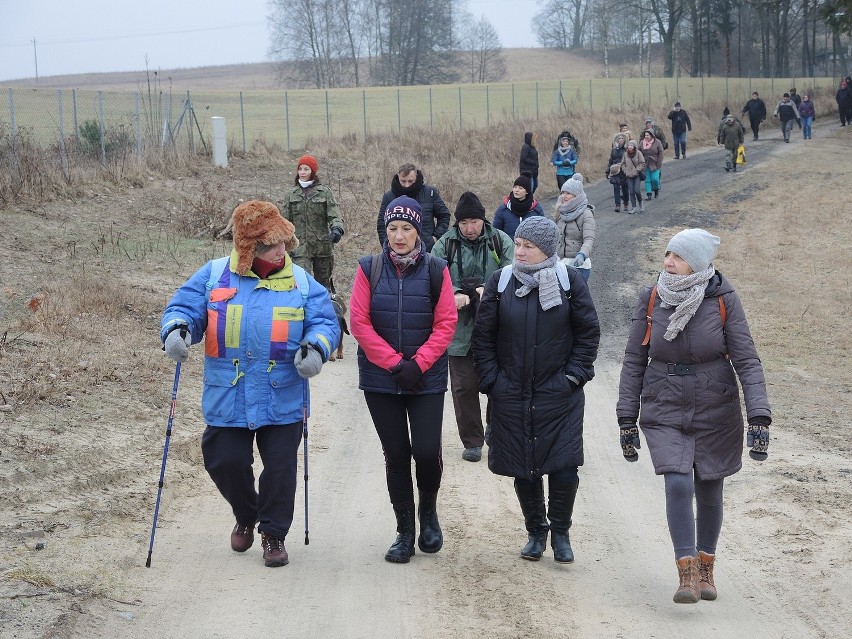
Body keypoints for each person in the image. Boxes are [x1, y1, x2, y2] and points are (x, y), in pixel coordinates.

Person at [160, 200, 340, 568]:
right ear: (248, 250)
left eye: (283, 242)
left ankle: (274, 535)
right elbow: (183, 309)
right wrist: (177, 330)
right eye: (271, 245)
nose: (281, 250)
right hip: (230, 392)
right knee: (222, 459)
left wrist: (317, 348)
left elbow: (324, 321)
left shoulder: (301, 282)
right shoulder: (214, 276)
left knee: (279, 467)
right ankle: (247, 513)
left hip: (282, 392)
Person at [616, 228, 772, 604]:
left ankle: (706, 569)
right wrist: (626, 418)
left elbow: (747, 359)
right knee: (678, 484)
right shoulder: (652, 297)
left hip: (715, 404)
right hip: (664, 401)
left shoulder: (723, 298)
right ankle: (685, 572)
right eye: (668, 254)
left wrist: (759, 416)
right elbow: (635, 360)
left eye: (678, 257)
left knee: (709, 488)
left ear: (698, 263)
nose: (668, 262)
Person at [471, 216, 600, 564]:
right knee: (521, 465)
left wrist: (573, 377)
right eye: (518, 243)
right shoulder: (501, 282)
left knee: (563, 466)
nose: (521, 251)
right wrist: (492, 382)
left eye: (528, 245)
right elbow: (482, 338)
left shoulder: (568, 281)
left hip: (559, 394)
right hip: (510, 392)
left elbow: (588, 333)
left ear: (546, 249)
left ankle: (561, 532)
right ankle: (535, 531)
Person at [350, 195, 457, 564]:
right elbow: (359, 324)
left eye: (406, 229)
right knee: (396, 455)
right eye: (393, 228)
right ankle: (404, 531)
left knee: (426, 451)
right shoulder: (369, 268)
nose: (399, 236)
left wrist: (419, 364)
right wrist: (396, 364)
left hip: (425, 379)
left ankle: (428, 508)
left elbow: (446, 324)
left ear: (418, 231)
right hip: (382, 379)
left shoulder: (436, 269)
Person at [431, 192, 513, 462]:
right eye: (464, 222)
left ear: (483, 219)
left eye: (474, 221)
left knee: (499, 383)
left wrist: (486, 290)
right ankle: (472, 441)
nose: (469, 228)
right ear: (457, 223)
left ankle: (496, 431)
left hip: (496, 327)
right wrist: (454, 293)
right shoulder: (445, 245)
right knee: (464, 386)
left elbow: (515, 273)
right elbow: (432, 276)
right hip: (458, 329)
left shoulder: (499, 241)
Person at [279, 155, 344, 291]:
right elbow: (284, 221)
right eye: (300, 169)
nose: (302, 172)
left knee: (323, 286)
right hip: (299, 247)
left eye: (306, 169)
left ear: (312, 172)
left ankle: (325, 310)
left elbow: (334, 213)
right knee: (302, 283)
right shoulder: (291, 194)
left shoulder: (324, 192)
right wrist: (281, 239)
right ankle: (303, 311)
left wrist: (337, 228)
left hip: (323, 247)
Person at [376, 164, 450, 253]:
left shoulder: (430, 193)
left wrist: (435, 238)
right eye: (403, 181)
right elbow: (381, 223)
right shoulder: (389, 196)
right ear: (398, 176)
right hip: (396, 251)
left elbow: (444, 215)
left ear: (416, 177)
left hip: (427, 250)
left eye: (411, 181)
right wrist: (387, 246)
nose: (407, 185)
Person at [554, 174, 595, 282]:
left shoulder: (586, 214)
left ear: (577, 195)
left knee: (577, 298)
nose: (564, 196)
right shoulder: (559, 212)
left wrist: (582, 254)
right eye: (562, 193)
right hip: (560, 263)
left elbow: (589, 239)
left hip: (579, 265)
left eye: (568, 193)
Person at [493, 173, 545, 239]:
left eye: (520, 188)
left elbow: (542, 231)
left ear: (527, 191)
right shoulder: (503, 208)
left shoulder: (536, 209)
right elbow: (495, 232)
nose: (516, 190)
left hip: (529, 247)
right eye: (515, 187)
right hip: (509, 247)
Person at [619, 140, 646, 213]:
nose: (630, 147)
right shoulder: (625, 154)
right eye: (629, 145)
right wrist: (625, 171)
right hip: (628, 175)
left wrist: (637, 170)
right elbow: (623, 164)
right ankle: (634, 207)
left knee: (637, 190)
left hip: (637, 174)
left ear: (634, 147)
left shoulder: (638, 153)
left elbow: (642, 163)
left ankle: (640, 203)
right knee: (631, 191)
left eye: (631, 145)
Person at [606, 133, 629, 212]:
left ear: (625, 140)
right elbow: (611, 160)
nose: (620, 140)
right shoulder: (614, 150)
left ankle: (626, 203)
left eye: (622, 138)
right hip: (615, 171)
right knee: (616, 187)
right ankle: (617, 205)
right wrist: (607, 170)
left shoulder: (627, 150)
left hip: (624, 171)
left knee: (625, 188)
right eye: (619, 138)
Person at [640, 129, 664, 201]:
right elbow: (638, 151)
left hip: (655, 163)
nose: (646, 136)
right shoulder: (642, 142)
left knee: (655, 179)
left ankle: (656, 189)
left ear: (652, 135)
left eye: (648, 135)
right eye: (645, 135)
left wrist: (659, 164)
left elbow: (661, 153)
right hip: (645, 163)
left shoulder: (657, 142)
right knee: (647, 180)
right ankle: (649, 195)